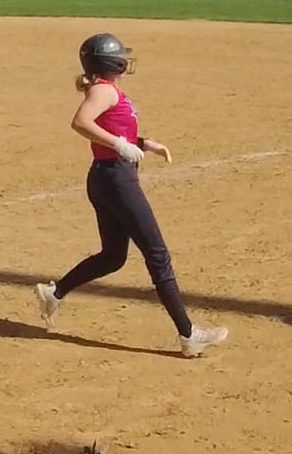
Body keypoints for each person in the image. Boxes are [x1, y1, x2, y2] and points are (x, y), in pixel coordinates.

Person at [33, 33, 228, 358]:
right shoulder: (104, 90)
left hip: (106, 178)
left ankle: (55, 292)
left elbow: (114, 128)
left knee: (113, 256)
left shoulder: (106, 89)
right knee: (157, 254)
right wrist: (120, 145)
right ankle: (189, 334)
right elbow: (80, 123)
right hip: (116, 180)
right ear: (112, 62)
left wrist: (141, 143)